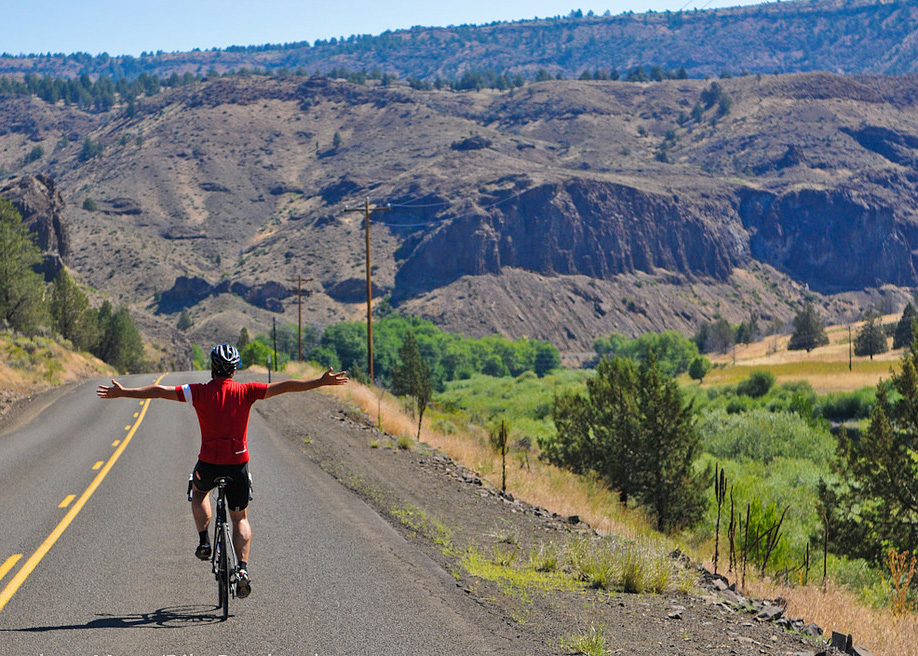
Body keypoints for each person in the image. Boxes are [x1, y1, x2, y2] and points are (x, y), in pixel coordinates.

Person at [97, 344, 348, 599]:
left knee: (198, 493)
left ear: (212, 367)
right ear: (235, 369)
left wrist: (124, 392)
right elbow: (284, 386)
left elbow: (161, 391)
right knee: (239, 518)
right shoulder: (247, 391)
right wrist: (319, 381)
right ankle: (242, 570)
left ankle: (204, 541)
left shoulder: (198, 392)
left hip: (208, 463)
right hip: (238, 465)